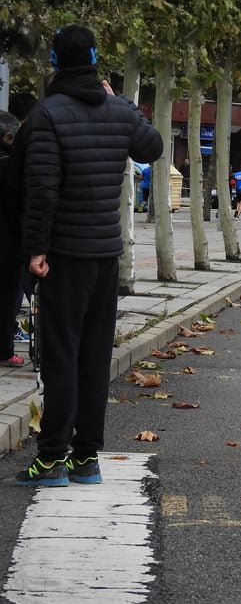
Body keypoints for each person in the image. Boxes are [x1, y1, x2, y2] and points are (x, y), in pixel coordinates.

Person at [14, 25, 163, 486]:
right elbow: (153, 146)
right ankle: (87, 458)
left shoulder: (47, 115)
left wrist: (35, 249)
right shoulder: (118, 109)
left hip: (63, 254)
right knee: (95, 357)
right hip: (105, 253)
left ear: (55, 62)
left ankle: (52, 458)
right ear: (96, 58)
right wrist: (119, 100)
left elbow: (41, 189)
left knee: (61, 354)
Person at [0, 111, 27, 367]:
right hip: (8, 246)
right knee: (9, 298)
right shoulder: (11, 166)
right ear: (8, 137)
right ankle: (5, 351)